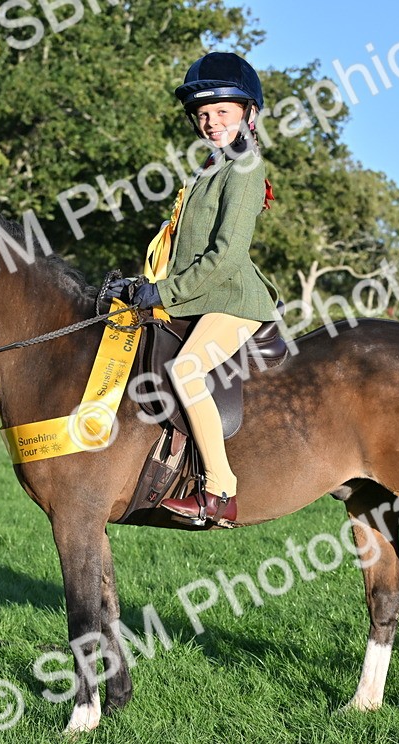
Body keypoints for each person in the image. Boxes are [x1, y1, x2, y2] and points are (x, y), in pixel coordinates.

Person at [118, 52, 279, 525]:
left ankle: (219, 494)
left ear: (248, 114)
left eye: (222, 112)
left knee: (187, 370)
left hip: (233, 297)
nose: (211, 122)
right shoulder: (211, 167)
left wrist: (165, 294)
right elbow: (181, 249)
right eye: (204, 115)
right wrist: (148, 284)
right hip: (200, 293)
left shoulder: (244, 168)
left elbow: (225, 256)